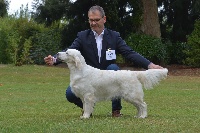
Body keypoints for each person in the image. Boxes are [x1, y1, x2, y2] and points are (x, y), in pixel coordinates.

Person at [44, 5, 163, 117]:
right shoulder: (82, 36)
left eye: (96, 20)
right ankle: (88, 107)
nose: (93, 23)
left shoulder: (114, 36)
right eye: (91, 20)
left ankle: (116, 110)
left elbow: (129, 53)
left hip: (109, 73)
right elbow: (70, 51)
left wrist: (149, 65)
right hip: (89, 77)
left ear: (104, 19)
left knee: (114, 69)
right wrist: (54, 59)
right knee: (70, 93)